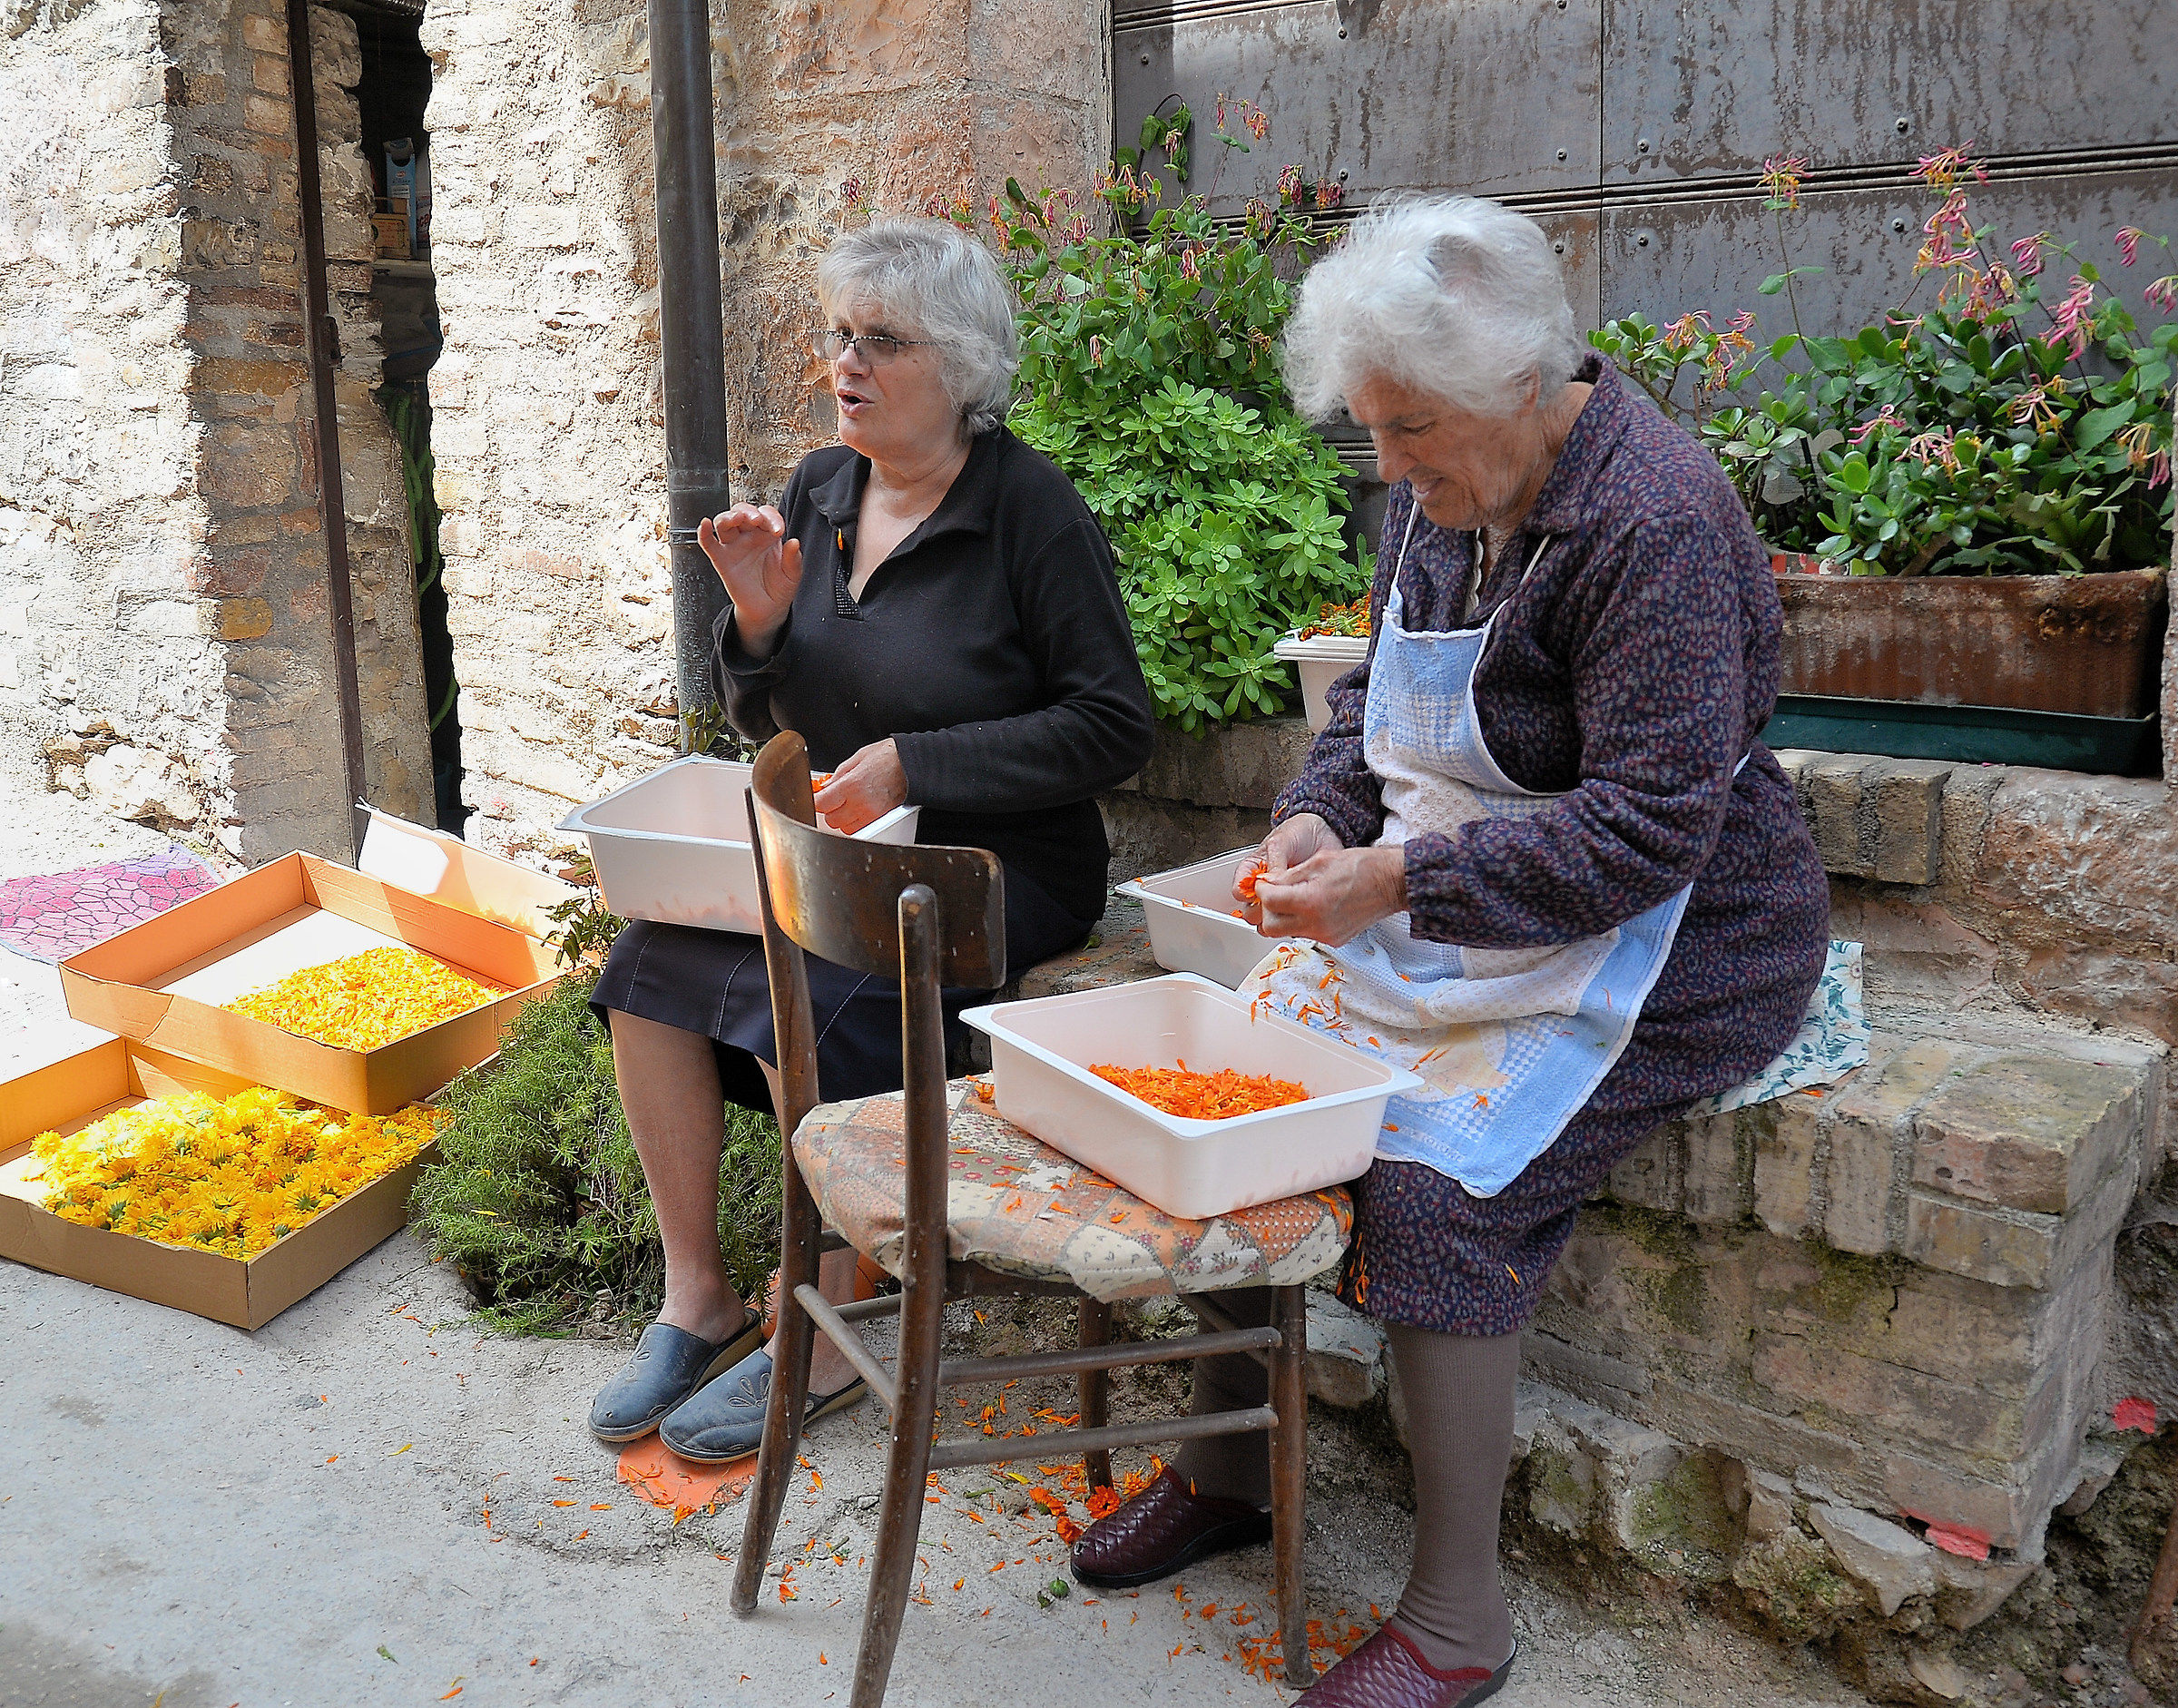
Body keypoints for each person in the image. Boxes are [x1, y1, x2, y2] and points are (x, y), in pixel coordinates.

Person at [1066, 196, 1830, 1707]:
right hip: (1457, 904)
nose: (1392, 469)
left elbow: (1644, 833)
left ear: (1521, 386)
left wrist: (1397, 879)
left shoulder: (1652, 520)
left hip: (1677, 941)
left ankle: (1457, 1619)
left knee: (1426, 1188)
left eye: (1410, 431)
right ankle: (1231, 1471)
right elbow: (1370, 710)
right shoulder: (1448, 486)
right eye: (1378, 434)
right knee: (1250, 1096)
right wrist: (1310, 822)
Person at [586, 217, 1155, 1464]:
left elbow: (1117, 724)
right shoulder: (822, 490)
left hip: (992, 876)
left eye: (880, 340)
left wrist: (925, 761)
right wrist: (758, 632)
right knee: (646, 972)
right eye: (840, 334)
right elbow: (768, 716)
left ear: (954, 364)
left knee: (836, 998)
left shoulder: (1031, 513)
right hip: (846, 858)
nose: (845, 361)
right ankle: (703, 1297)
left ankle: (838, 1326)